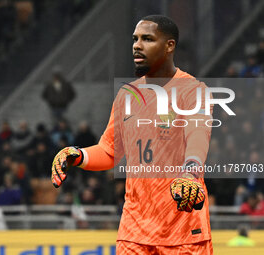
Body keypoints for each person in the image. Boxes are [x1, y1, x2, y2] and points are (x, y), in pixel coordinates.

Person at [51, 15, 213, 254]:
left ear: (169, 46)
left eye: (147, 39)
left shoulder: (193, 91)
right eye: (135, 39)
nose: (137, 45)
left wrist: (190, 172)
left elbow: (198, 135)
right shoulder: (127, 95)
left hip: (183, 230)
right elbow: (109, 151)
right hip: (134, 232)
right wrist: (78, 155)